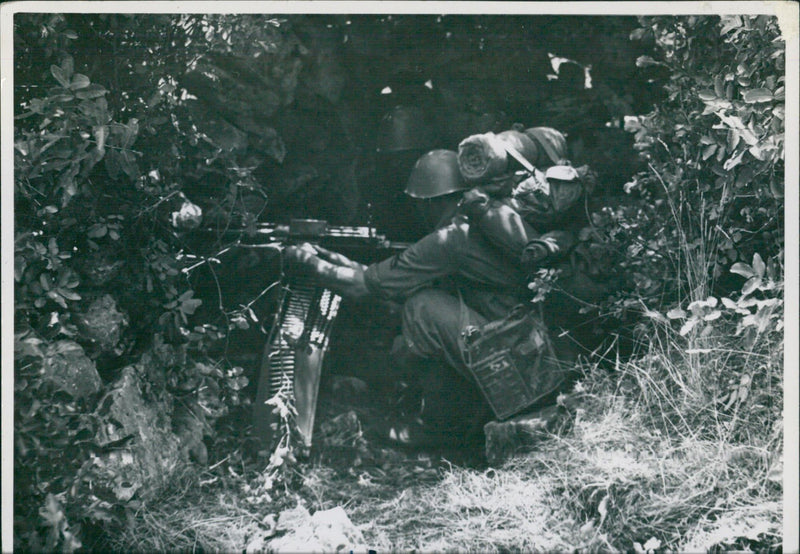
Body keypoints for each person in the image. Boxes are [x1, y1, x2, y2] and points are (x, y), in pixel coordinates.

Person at [285, 147, 575, 448]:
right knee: (423, 307)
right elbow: (380, 276)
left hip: (525, 372)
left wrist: (305, 262)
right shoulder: (480, 221)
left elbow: (365, 286)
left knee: (421, 310)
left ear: (431, 202)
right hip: (539, 353)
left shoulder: (450, 239)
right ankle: (456, 417)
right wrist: (333, 259)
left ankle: (437, 427)